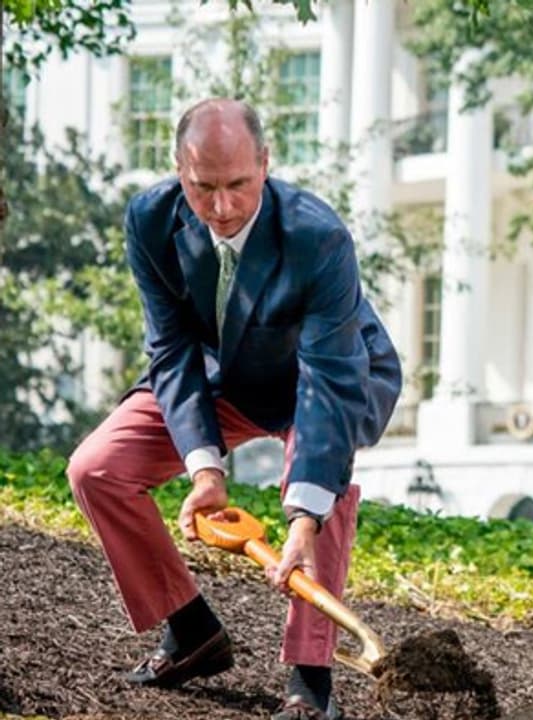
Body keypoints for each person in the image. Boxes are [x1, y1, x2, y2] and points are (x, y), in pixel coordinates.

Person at [66, 98, 401, 720]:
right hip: (229, 373)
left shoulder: (316, 235)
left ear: (266, 165)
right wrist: (207, 470)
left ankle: (310, 684)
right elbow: (170, 350)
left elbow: (327, 382)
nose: (221, 208)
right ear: (178, 171)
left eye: (238, 185)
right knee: (96, 468)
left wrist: (303, 519)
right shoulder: (150, 218)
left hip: (328, 371)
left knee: (321, 491)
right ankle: (192, 629)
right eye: (203, 188)